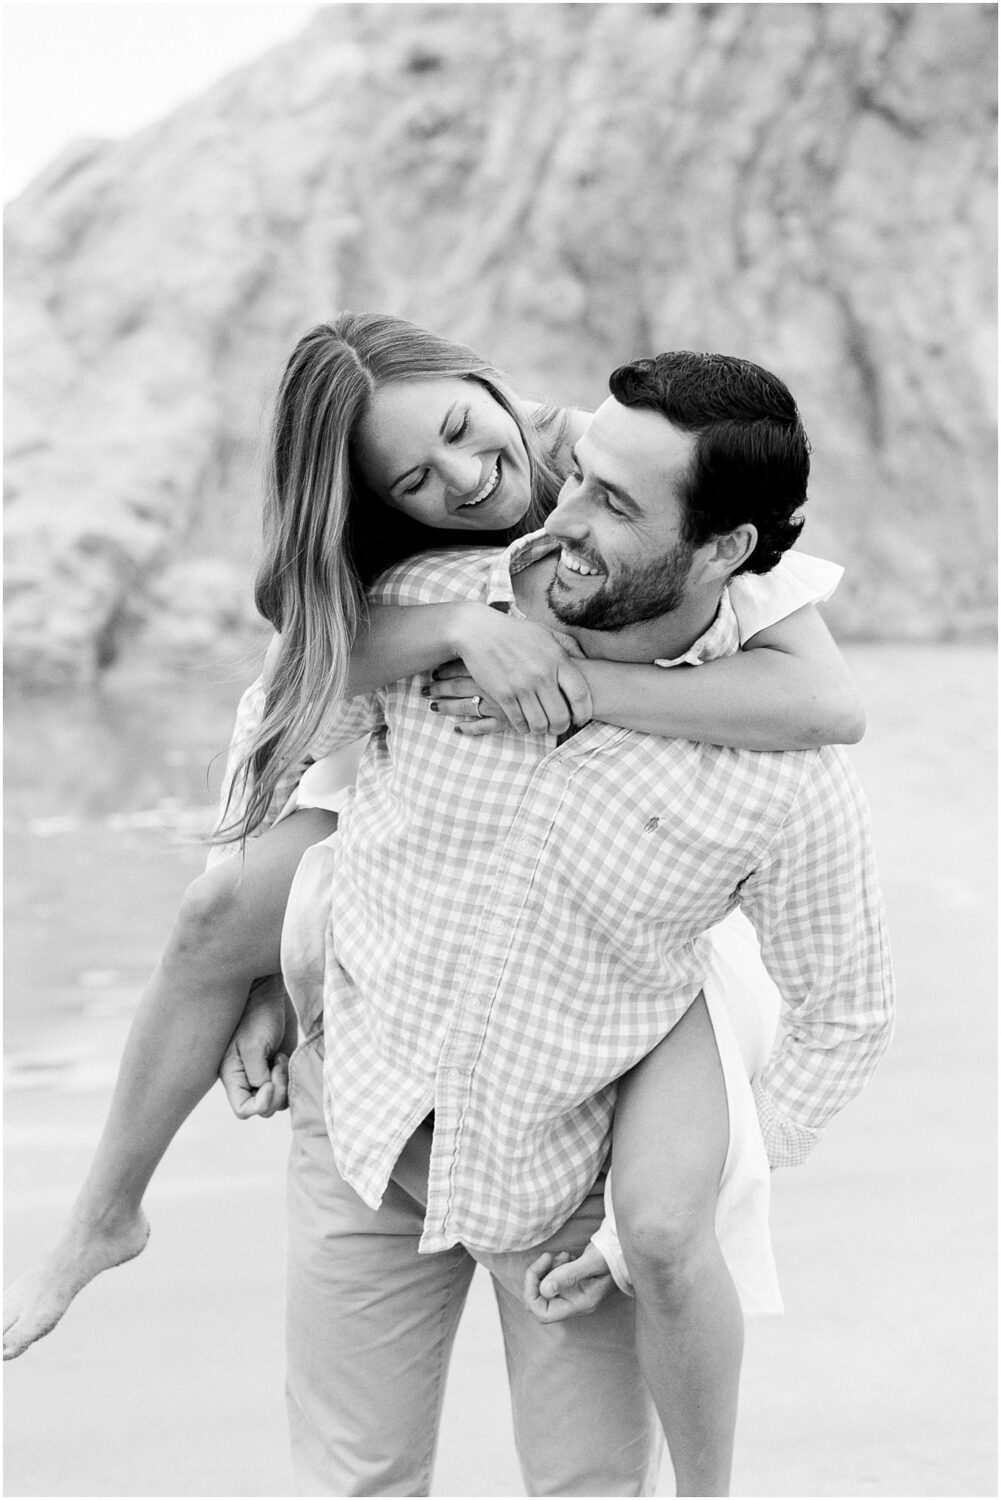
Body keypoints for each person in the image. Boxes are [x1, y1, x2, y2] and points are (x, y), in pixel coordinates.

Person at [1, 318, 865, 1489]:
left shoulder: (602, 458)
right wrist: (278, 961)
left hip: (571, 1117)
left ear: (483, 383)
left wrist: (588, 688)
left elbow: (823, 711)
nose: (476, 483)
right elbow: (287, 697)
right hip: (371, 1099)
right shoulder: (444, 584)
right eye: (416, 477)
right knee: (218, 920)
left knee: (641, 1302)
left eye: (461, 432)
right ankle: (107, 1211)